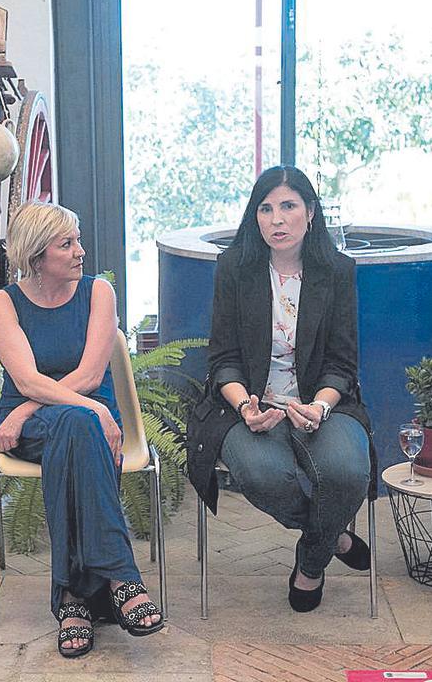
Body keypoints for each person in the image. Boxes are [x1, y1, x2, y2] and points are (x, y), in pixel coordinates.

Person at [186, 165, 375, 613]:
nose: (277, 219)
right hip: (245, 404)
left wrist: (321, 407)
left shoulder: (337, 272)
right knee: (265, 475)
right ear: (255, 217)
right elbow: (223, 358)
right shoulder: (235, 269)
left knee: (348, 472)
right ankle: (334, 538)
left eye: (288, 206)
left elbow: (342, 362)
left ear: (310, 212)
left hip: (322, 402)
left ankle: (310, 563)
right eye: (266, 209)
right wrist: (245, 406)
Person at [0, 202, 163, 658]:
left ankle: (72, 598)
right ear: (36, 256)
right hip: (44, 428)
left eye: (78, 239)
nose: (80, 251)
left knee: (77, 425)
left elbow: (88, 376)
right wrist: (43, 410)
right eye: (67, 244)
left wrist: (23, 411)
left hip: (68, 420)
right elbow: (26, 379)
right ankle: (122, 578)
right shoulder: (3, 303)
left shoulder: (98, 292)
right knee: (77, 422)